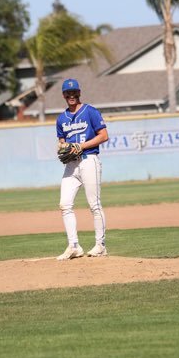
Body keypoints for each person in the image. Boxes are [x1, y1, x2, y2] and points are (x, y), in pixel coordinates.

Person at [56, 78, 108, 260]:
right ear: (63, 95)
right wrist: (62, 147)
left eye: (74, 92)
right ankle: (74, 246)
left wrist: (82, 146)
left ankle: (100, 245)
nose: (71, 95)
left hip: (89, 160)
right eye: (67, 93)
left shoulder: (91, 112)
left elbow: (103, 136)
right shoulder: (61, 118)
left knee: (94, 205)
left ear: (79, 93)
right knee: (65, 205)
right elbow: (62, 140)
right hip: (72, 164)